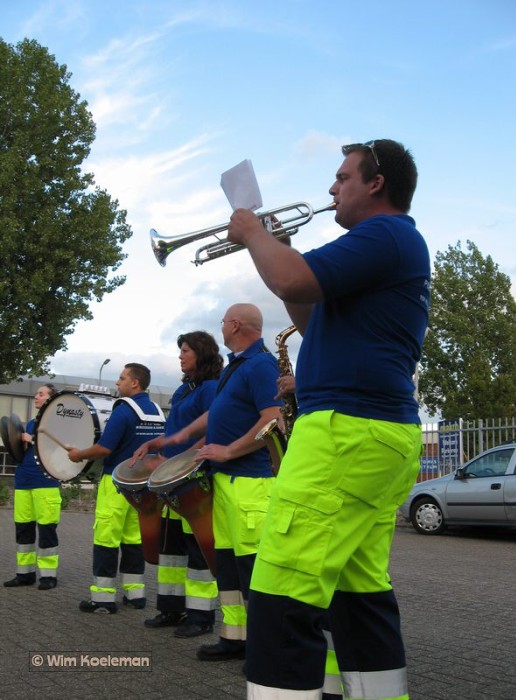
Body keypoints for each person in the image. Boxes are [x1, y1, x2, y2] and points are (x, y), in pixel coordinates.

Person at [227, 139, 431, 699]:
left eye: (343, 177)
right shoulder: (388, 248)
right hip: (376, 435)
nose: (331, 188)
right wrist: (281, 241)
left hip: (345, 432)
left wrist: (253, 235)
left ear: (376, 183)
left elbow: (289, 280)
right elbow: (309, 313)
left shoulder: (384, 234)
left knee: (280, 595)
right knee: (358, 594)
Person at [153, 303, 282, 662]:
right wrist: (177, 438)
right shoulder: (236, 366)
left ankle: (264, 648)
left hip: (250, 483)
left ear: (236, 324)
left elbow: (273, 420)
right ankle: (235, 637)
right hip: (224, 483)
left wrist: (228, 451)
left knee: (252, 569)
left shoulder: (260, 365)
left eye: (224, 321)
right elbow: (216, 413)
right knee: (226, 565)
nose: (221, 327)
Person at [135, 331, 222, 637]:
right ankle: (171, 608)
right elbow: (176, 429)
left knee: (197, 550)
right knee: (171, 549)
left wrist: (184, 458)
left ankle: (200, 616)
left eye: (185, 350)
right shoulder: (184, 390)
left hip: (193, 479)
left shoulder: (211, 388)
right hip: (169, 480)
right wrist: (155, 445)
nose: (180, 355)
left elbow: (214, 427)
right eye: (180, 351)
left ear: (202, 353)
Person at [67, 363, 165, 614]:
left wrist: (79, 455)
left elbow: (104, 448)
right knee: (134, 540)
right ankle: (135, 595)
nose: (117, 383)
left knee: (106, 539)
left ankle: (103, 598)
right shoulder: (156, 410)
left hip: (117, 483)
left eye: (121, 378)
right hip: (144, 486)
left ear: (135, 383)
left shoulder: (123, 410)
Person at [4, 383, 62, 591]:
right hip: (23, 484)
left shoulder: (57, 423)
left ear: (51, 399)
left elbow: (61, 448)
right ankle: (24, 574)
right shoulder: (29, 423)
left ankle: (48, 576)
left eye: (41, 393)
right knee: (23, 531)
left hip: (45, 484)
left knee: (47, 531)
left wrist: (33, 438)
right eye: (36, 393)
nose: (35, 397)